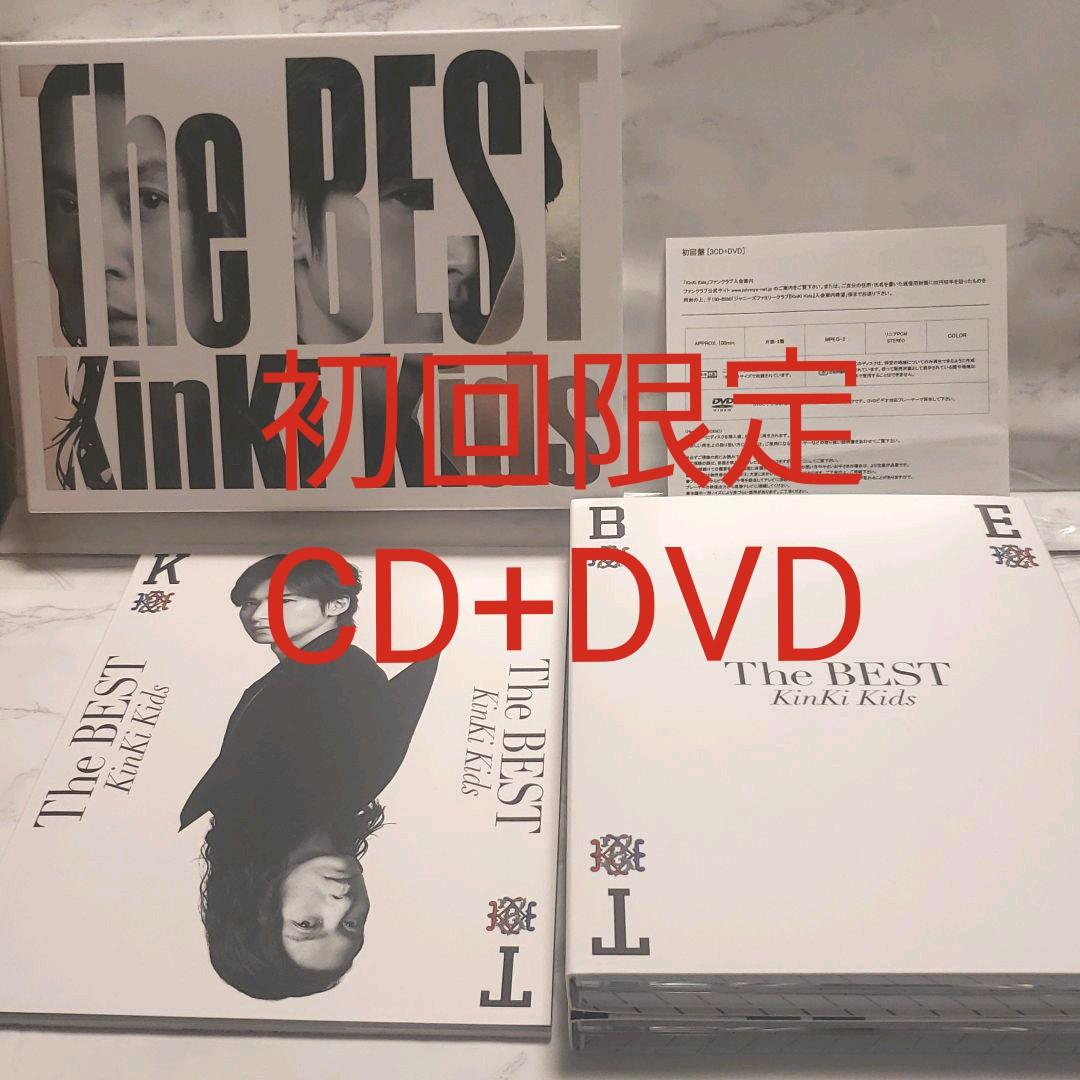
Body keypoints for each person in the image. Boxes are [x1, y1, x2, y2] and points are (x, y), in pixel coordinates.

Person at [179, 554, 439, 999]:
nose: (342, 905)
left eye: (308, 923)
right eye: (352, 925)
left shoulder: (296, 781)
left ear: (254, 910)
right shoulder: (349, 788)